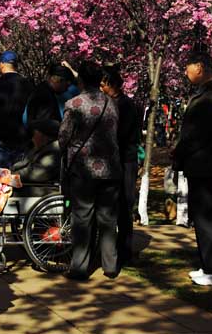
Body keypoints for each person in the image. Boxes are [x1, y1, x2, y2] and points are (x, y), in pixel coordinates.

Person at [173, 51, 212, 287]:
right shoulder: (207, 95)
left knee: (209, 217)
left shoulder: (211, 97)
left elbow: (196, 134)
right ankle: (209, 265)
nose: (185, 73)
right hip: (200, 165)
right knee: (202, 216)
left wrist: (180, 152)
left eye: (188, 67)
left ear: (199, 67)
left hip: (205, 164)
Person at [57, 60, 121, 279]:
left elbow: (63, 137)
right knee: (108, 219)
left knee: (82, 218)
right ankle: (110, 265)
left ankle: (80, 267)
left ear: (80, 79)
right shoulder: (112, 103)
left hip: (84, 170)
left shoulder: (74, 104)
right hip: (111, 168)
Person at [102, 65, 142, 268]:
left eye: (103, 84)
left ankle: (125, 250)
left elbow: (121, 135)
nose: (101, 88)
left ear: (111, 84)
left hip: (125, 161)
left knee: (125, 206)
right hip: (115, 160)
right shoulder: (111, 103)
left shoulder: (125, 105)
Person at [0, 50, 33, 170]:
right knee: (18, 173)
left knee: (1, 175)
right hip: (21, 136)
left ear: (2, 64)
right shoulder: (28, 85)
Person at [11, 119, 63, 196]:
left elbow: (35, 174)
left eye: (34, 134)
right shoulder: (41, 148)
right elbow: (25, 163)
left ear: (44, 136)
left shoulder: (54, 151)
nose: (32, 138)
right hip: (35, 186)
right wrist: (9, 172)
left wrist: (10, 177)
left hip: (44, 191)